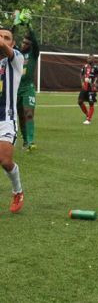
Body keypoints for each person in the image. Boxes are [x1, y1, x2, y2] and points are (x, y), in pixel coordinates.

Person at [0, 26, 25, 213]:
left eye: (6, 37)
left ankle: (18, 191)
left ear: (13, 43)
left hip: (6, 118)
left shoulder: (16, 59)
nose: (2, 39)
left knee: (5, 160)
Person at [16, 15, 39, 150]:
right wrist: (15, 24)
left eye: (26, 43)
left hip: (28, 88)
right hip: (16, 89)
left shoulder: (33, 53)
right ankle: (25, 140)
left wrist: (29, 24)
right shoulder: (17, 53)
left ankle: (31, 141)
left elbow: (35, 40)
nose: (23, 44)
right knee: (21, 116)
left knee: (28, 113)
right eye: (23, 42)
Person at [78, 54, 98, 125]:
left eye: (90, 58)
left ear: (93, 59)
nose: (88, 59)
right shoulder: (85, 66)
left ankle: (88, 119)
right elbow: (81, 74)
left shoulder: (96, 67)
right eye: (88, 58)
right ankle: (87, 114)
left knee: (91, 103)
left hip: (91, 89)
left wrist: (97, 85)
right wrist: (82, 82)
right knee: (80, 102)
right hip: (84, 88)